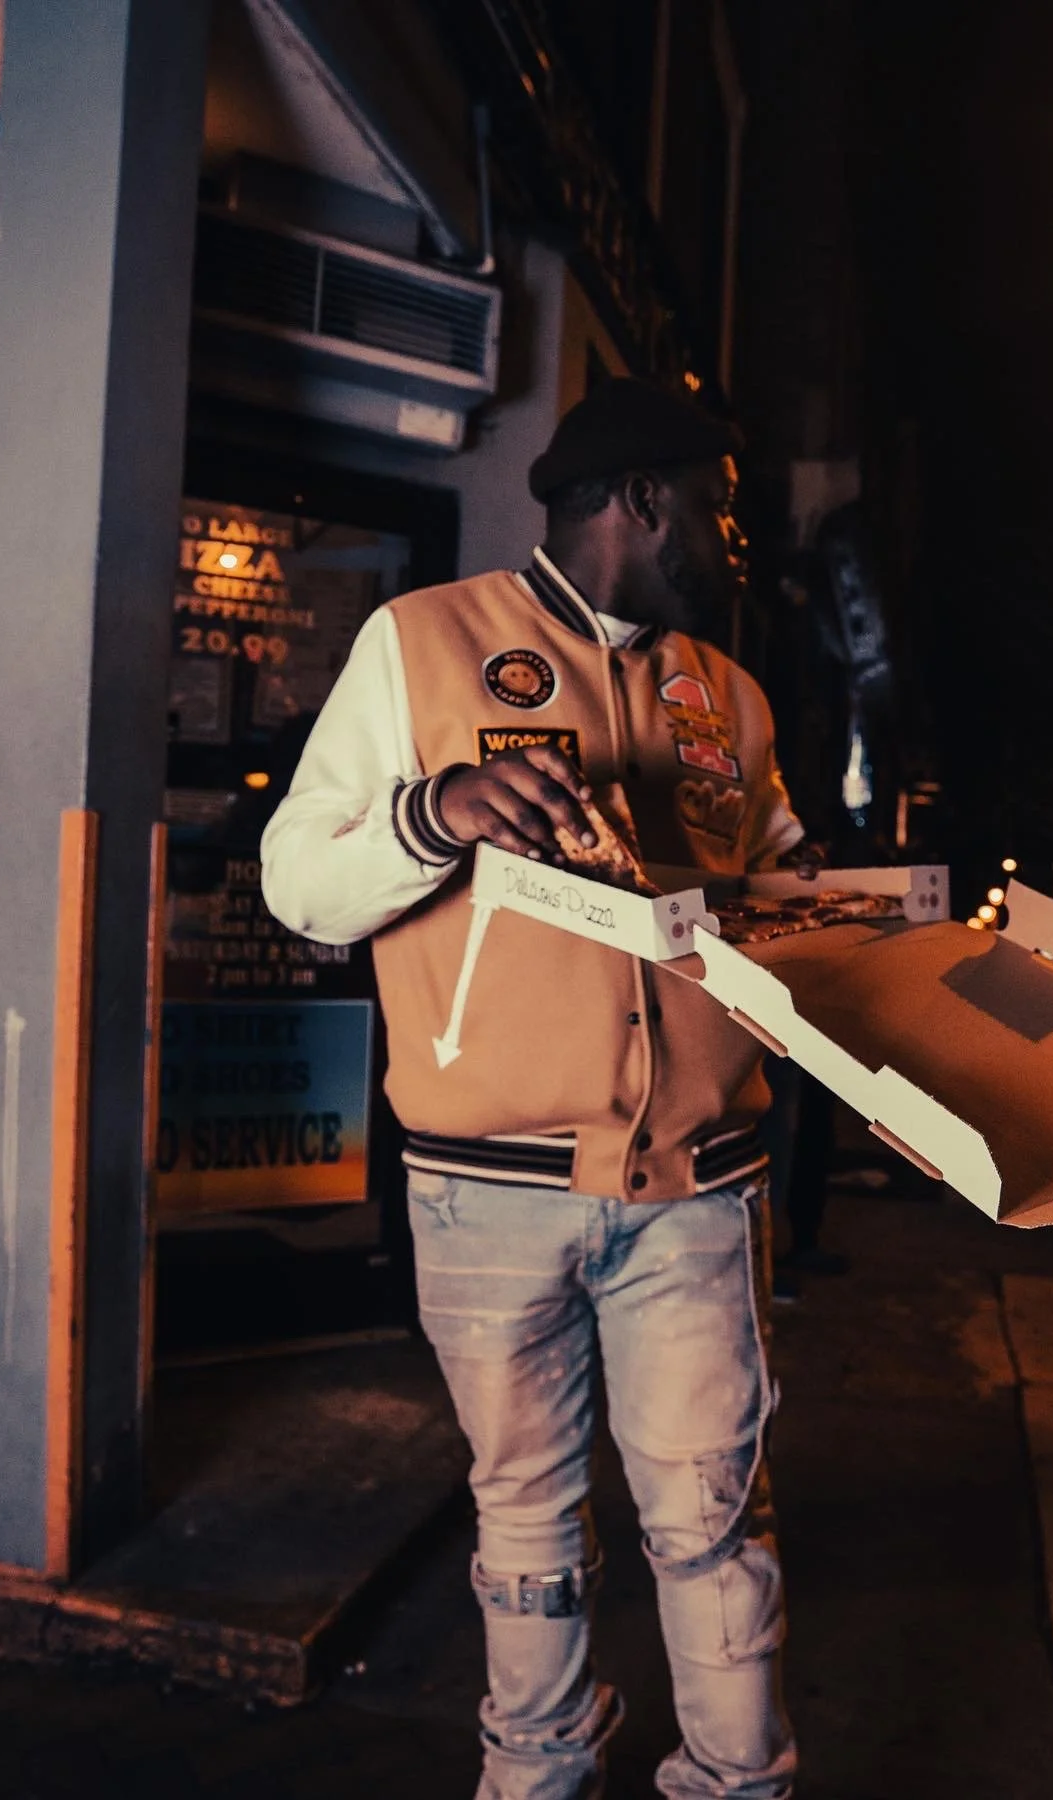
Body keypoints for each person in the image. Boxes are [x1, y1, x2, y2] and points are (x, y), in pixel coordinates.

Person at [262, 378, 810, 1799]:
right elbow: (297, 883)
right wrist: (434, 812)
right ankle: (537, 1778)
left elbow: (784, 898)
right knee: (525, 1522)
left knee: (712, 1517)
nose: (734, 541)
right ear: (642, 501)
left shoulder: (730, 696)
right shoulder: (420, 642)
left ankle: (738, 1785)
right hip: (484, 1194)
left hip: (698, 1187)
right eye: (719, 509)